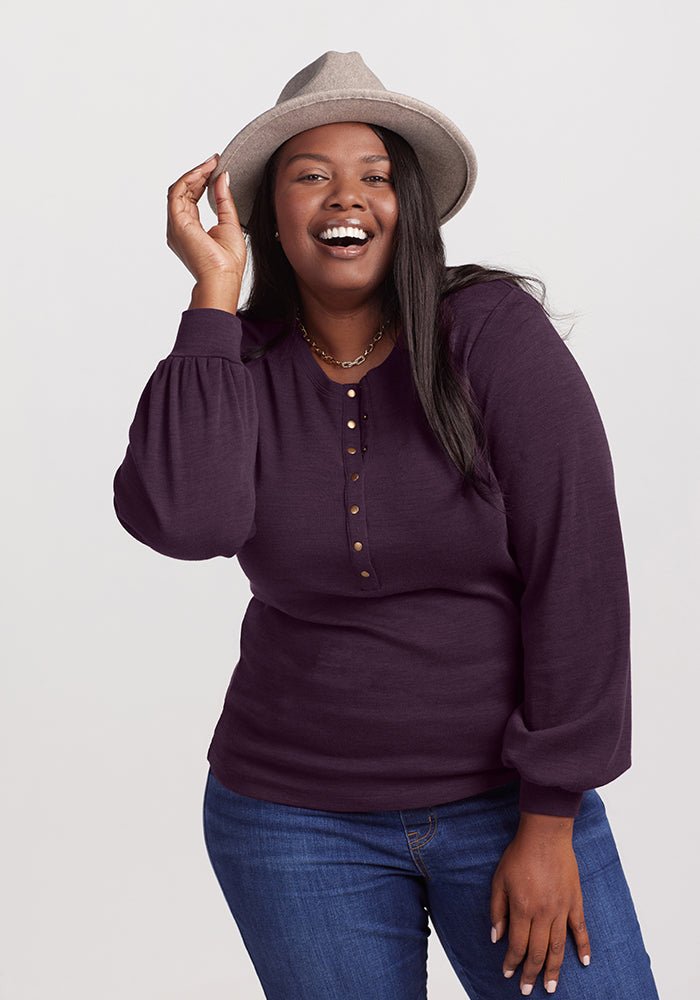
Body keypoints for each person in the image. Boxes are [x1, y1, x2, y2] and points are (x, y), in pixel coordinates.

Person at [113, 51, 659, 1000]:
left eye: (374, 174)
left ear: (407, 204)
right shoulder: (234, 365)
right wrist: (213, 296)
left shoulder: (487, 334)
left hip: (506, 807)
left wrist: (549, 814)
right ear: (269, 211)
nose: (345, 197)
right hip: (290, 824)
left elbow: (577, 570)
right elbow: (189, 521)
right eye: (311, 175)